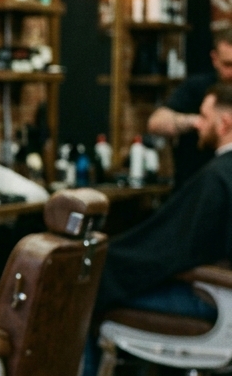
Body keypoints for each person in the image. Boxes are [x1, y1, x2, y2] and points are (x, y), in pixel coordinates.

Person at [97, 84, 232, 321]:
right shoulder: (221, 173)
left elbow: (167, 250)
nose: (198, 124)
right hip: (219, 292)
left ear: (225, 123)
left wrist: (107, 258)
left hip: (212, 299)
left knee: (89, 291)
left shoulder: (217, 177)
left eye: (204, 117)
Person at [148, 25, 232, 187]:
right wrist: (201, 121)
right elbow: (156, 122)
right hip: (194, 185)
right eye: (228, 65)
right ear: (214, 59)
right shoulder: (197, 87)